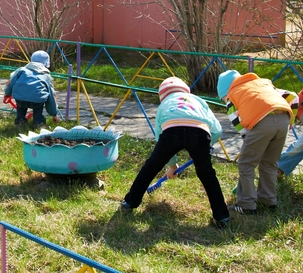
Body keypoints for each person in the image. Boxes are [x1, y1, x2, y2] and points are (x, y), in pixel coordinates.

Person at [120, 77, 230, 229]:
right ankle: (222, 216)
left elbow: (160, 137)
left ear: (162, 96)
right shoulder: (198, 100)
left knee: (151, 167)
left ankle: (130, 202)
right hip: (199, 132)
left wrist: (172, 165)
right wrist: (206, 146)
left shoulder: (164, 104)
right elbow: (217, 130)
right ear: (186, 91)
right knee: (207, 174)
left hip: (172, 131)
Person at [217, 70, 298, 215]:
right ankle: (268, 201)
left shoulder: (232, 95)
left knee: (247, 163)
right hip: (283, 120)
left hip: (261, 123)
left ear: (225, 92)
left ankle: (247, 204)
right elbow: (294, 97)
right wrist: (291, 121)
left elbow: (240, 127)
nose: (225, 101)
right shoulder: (262, 84)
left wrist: (251, 143)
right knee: (269, 163)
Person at [4, 50, 61, 128]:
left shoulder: (21, 70)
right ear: (46, 63)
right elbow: (51, 96)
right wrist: (54, 114)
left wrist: (7, 93)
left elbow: (10, 83)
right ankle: (38, 123)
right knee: (38, 107)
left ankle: (20, 122)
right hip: (37, 100)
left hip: (20, 98)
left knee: (21, 108)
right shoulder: (46, 76)